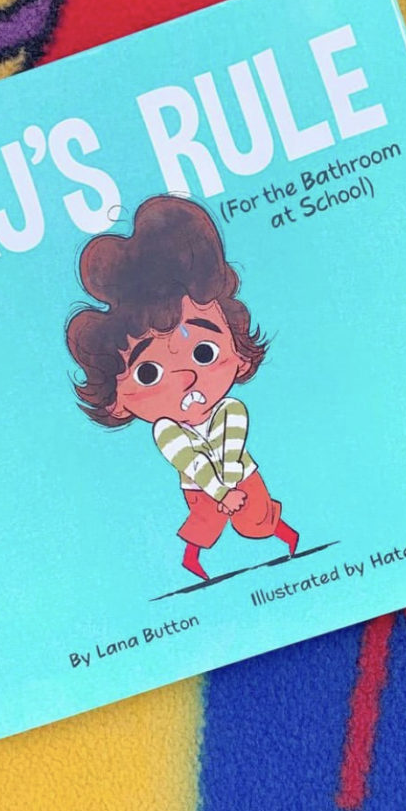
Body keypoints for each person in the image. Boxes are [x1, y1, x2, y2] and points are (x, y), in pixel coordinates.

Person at [66, 194, 299, 581]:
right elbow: (190, 461)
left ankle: (287, 536)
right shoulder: (166, 430)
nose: (186, 378)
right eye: (148, 373)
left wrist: (229, 487)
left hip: (237, 472)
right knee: (205, 521)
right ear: (118, 401)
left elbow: (231, 448)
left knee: (255, 520)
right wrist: (220, 493)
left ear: (239, 355)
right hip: (199, 482)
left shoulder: (231, 411)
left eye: (204, 352)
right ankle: (192, 559)